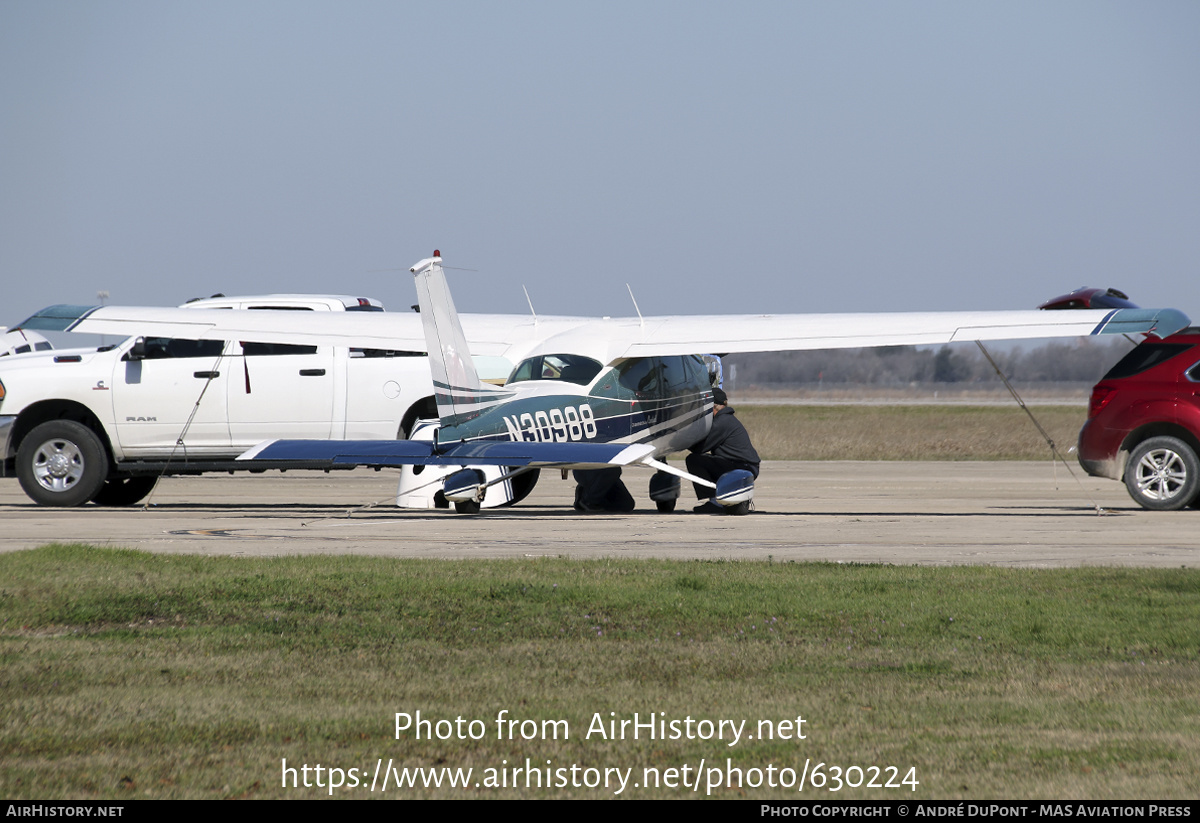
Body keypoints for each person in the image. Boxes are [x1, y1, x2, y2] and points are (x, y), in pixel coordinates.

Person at [686, 387, 760, 514]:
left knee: (694, 460)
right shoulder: (727, 419)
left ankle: (714, 501)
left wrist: (679, 440)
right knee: (705, 460)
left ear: (713, 407)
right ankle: (720, 498)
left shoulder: (722, 422)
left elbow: (700, 448)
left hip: (742, 467)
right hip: (745, 465)